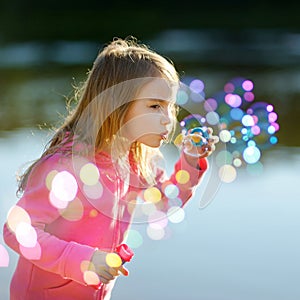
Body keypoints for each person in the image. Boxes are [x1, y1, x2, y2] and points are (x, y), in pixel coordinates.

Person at [3, 36, 218, 300]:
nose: (168, 119)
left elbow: (164, 202)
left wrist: (190, 160)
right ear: (117, 105)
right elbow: (17, 231)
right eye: (154, 106)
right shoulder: (66, 166)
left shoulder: (135, 159)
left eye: (170, 107)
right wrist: (83, 261)